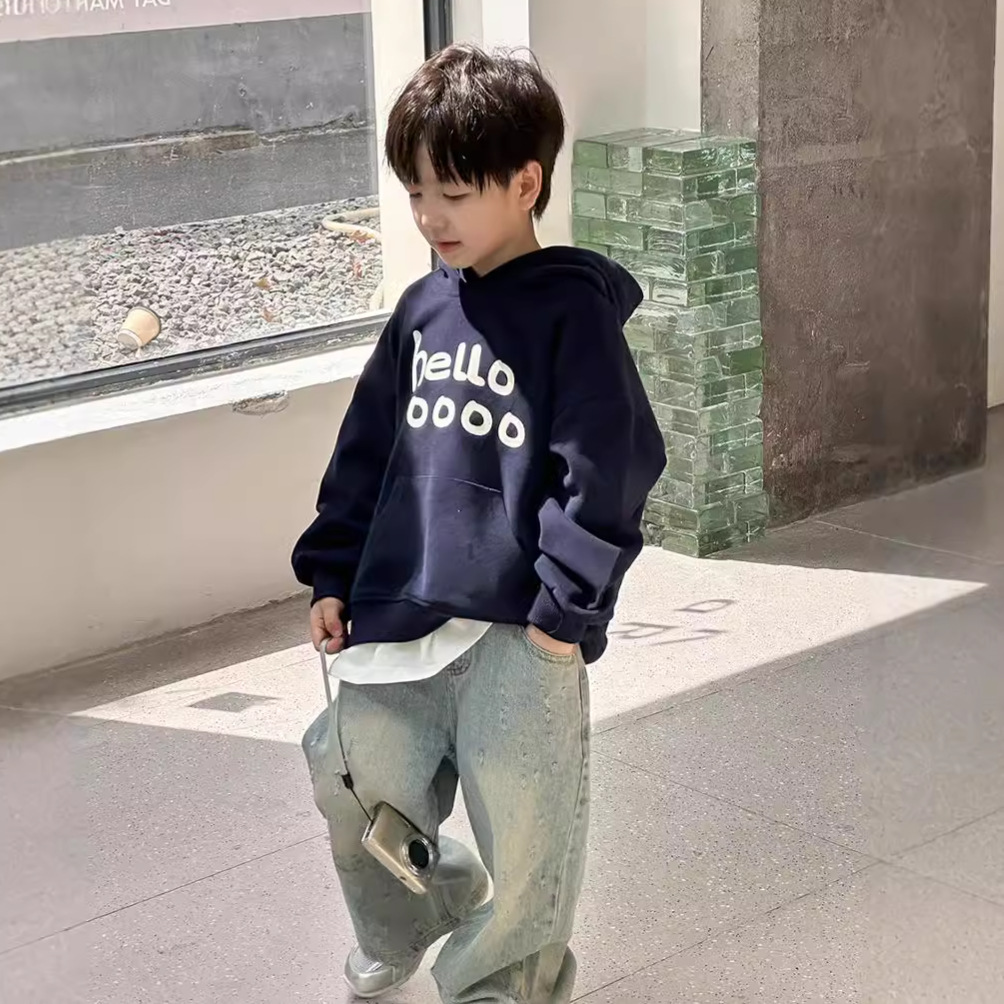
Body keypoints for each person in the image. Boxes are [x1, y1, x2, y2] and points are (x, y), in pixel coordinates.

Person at [292, 43, 666, 1004]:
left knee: (531, 830)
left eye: (453, 193)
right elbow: (366, 451)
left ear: (525, 183)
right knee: (349, 775)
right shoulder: (421, 311)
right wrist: (333, 571)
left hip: (519, 632)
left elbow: (612, 465)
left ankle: (509, 979)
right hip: (402, 611)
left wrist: (561, 615)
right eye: (416, 191)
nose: (430, 216)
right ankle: (413, 914)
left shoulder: (573, 316)